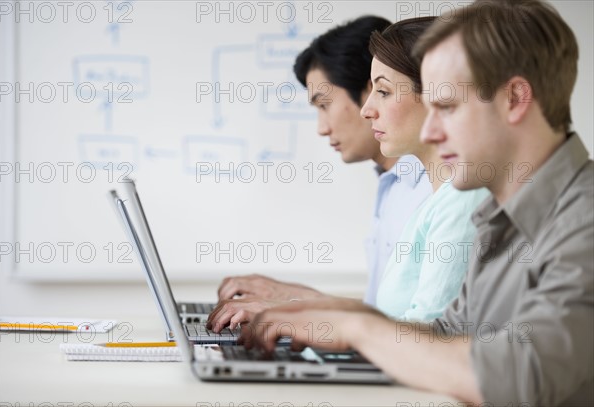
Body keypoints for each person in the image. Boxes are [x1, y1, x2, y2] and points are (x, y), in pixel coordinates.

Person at [242, 1, 594, 406]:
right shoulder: (497, 219)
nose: (430, 129)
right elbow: (444, 334)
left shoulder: (583, 222)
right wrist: (320, 319)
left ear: (514, 98)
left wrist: (359, 331)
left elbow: (526, 375)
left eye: (445, 107)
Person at [207, 17, 489, 331]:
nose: (368, 110)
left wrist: (304, 315)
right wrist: (295, 304)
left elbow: (426, 333)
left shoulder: (452, 195)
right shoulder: (421, 196)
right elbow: (389, 314)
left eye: (382, 91)